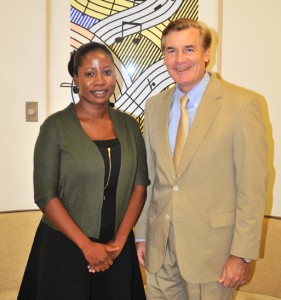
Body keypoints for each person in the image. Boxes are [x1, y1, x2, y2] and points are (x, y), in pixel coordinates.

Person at [135, 18, 268, 300]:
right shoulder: (155, 106)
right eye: (171, 51)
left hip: (213, 257)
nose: (180, 59)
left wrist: (241, 254)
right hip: (160, 254)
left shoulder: (242, 105)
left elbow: (252, 187)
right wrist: (142, 235)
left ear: (207, 53)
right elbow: (148, 177)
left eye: (189, 49)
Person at [18, 42, 149, 300]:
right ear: (76, 79)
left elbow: (140, 185)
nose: (100, 81)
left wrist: (120, 242)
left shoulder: (130, 126)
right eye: (89, 73)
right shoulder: (55, 127)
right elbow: (45, 195)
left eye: (107, 72)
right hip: (65, 248)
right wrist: (86, 246)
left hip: (116, 250)